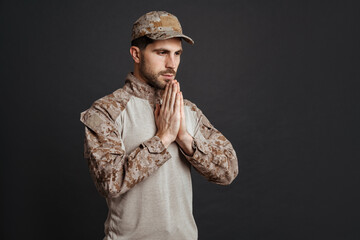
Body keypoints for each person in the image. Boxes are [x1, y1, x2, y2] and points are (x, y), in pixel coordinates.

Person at [80, 10, 238, 240]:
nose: (171, 64)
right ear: (136, 54)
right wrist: (162, 139)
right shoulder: (107, 111)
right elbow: (108, 182)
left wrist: (184, 139)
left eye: (177, 53)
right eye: (162, 52)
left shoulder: (187, 110)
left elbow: (228, 172)